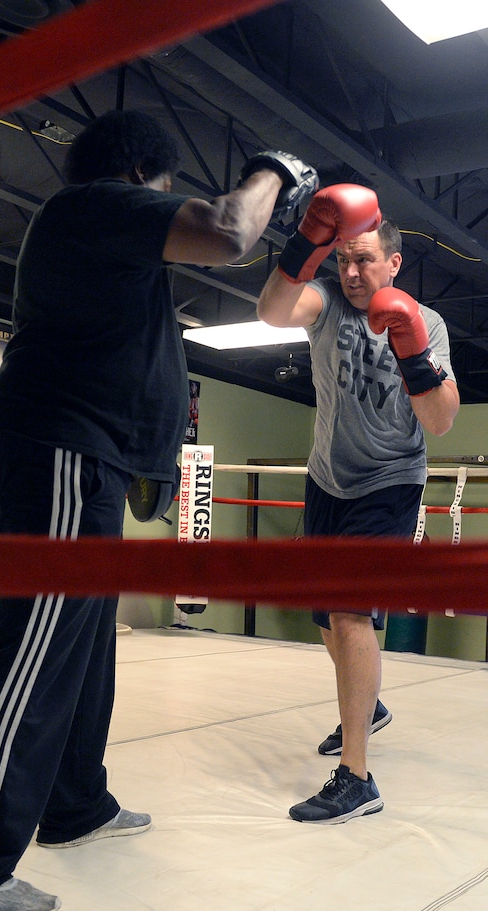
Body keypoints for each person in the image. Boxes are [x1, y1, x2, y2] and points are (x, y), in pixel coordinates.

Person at [0, 110, 318, 911]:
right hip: (61, 445)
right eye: (162, 191)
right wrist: (273, 168)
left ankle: (74, 803)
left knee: (85, 644)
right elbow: (230, 231)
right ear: (141, 175)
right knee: (36, 650)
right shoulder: (95, 205)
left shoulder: (101, 240)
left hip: (89, 454)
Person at [257, 184, 460, 824]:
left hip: (390, 484)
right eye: (342, 258)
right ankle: (367, 703)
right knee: (324, 613)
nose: (350, 271)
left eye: (363, 259)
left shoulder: (428, 322)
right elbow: (270, 311)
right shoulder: (327, 306)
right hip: (328, 479)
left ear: (394, 263)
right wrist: (304, 245)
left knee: (349, 614)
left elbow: (442, 421)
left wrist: (413, 352)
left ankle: (356, 778)